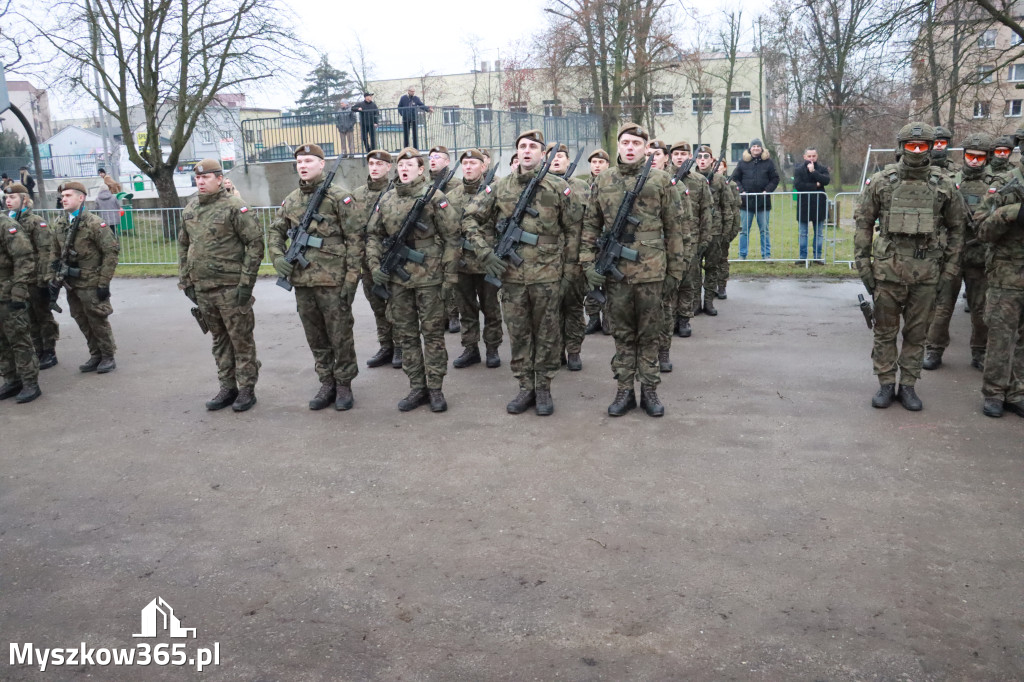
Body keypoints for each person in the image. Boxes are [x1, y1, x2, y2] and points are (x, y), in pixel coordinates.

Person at [462, 129, 577, 416]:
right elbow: (471, 219)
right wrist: (485, 252)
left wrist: (570, 271)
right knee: (519, 333)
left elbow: (574, 230)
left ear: (542, 153)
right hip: (512, 276)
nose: (527, 151)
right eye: (522, 146)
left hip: (548, 274)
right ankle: (525, 386)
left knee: (548, 334)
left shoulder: (557, 187)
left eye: (533, 146)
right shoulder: (501, 188)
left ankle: (544, 389)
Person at [854, 122, 964, 411]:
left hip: (927, 273)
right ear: (901, 148)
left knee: (917, 334)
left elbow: (957, 229)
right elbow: (864, 223)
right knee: (885, 332)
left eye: (922, 146)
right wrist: (863, 263)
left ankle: (909, 386)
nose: (916, 151)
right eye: (911, 146)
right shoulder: (881, 181)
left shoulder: (943, 184)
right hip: (887, 273)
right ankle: (886, 383)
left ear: (930, 148)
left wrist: (950, 268)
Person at [581, 123, 689, 417]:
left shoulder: (661, 181)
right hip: (617, 273)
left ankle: (650, 391)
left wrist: (676, 272)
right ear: (619, 146)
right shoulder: (603, 181)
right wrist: (588, 264)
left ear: (645, 148)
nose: (630, 148)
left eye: (636, 143)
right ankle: (624, 390)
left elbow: (676, 229)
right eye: (625, 142)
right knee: (622, 334)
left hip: (653, 272)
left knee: (651, 334)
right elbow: (590, 225)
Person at [270, 144, 363, 412]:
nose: (303, 165)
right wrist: (277, 258)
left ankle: (344, 383)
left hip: (333, 280)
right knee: (316, 336)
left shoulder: (340, 197)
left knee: (340, 334)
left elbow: (356, 240)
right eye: (299, 161)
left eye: (309, 160)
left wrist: (351, 280)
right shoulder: (291, 200)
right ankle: (326, 382)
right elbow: (275, 232)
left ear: (322, 164)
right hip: (302, 281)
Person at [367, 147, 460, 413]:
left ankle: (435, 388)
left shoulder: (435, 197)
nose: (404, 168)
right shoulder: (386, 200)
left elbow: (453, 236)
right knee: (406, 335)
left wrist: (449, 275)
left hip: (429, 277)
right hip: (398, 280)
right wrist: (375, 266)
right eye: (401, 164)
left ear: (421, 169)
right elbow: (373, 235)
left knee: (432, 335)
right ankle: (416, 387)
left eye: (410, 164)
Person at [178, 159, 263, 412]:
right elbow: (183, 245)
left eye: (206, 178)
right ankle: (227, 387)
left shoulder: (235, 207)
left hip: (231, 287)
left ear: (219, 178)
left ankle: (247, 388)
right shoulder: (191, 208)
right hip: (203, 289)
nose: (201, 182)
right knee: (219, 340)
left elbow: (255, 245)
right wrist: (186, 280)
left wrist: (246, 284)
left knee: (241, 340)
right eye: (198, 178)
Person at [923, 133, 998, 373]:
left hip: (980, 257)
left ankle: (979, 352)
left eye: (979, 157)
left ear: (986, 158)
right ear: (964, 155)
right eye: (970, 156)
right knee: (942, 307)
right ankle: (934, 350)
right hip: (952, 254)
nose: (974, 161)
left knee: (980, 309)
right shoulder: (950, 181)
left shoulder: (995, 184)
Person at [51, 181, 120, 374]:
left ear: (81, 198)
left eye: (68, 196)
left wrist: (104, 282)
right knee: (80, 318)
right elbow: (54, 253)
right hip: (71, 282)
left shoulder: (94, 223)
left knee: (97, 319)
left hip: (91, 281)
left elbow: (111, 252)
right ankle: (95, 354)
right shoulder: (60, 224)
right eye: (62, 197)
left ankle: (108, 355)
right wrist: (53, 277)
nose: (63, 199)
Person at [448, 148, 503, 370]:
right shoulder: (452, 196)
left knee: (491, 308)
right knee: (466, 309)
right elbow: (448, 231)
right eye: (465, 163)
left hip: (487, 262)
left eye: (473, 163)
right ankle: (470, 348)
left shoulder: (495, 191)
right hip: (462, 263)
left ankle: (492, 348)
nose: (469, 167)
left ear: (483, 166)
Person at [975, 174, 1024, 418]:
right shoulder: (1004, 186)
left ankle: (1018, 392)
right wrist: (1010, 212)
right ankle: (994, 393)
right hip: (1006, 277)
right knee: (1000, 336)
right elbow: (981, 231)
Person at [351, 149, 399, 370]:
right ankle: (386, 346)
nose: (375, 167)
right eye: (371, 163)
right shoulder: (357, 195)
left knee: (395, 305)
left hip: (390, 260)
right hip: (366, 261)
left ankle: (400, 347)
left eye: (380, 164)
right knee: (377, 305)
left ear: (389, 167)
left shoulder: (395, 191)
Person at [5, 183, 58, 369]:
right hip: (19, 279)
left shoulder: (36, 221)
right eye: (6, 198)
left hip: (35, 279)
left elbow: (45, 251)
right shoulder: (8, 221)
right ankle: (38, 349)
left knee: (42, 315)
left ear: (24, 200)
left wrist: (45, 279)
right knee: (28, 317)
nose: (8, 201)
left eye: (13, 198)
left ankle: (49, 351)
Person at [548, 143, 588, 371]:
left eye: (560, 156)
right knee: (550, 310)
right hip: (546, 261)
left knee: (573, 307)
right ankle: (555, 351)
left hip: (575, 258)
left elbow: (591, 223)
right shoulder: (539, 187)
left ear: (568, 160)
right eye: (552, 156)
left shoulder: (581, 187)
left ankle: (573, 351)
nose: (556, 160)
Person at [668, 140, 712, 347]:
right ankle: (669, 319)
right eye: (675, 153)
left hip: (691, 240)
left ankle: (684, 318)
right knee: (669, 282)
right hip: (669, 240)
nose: (679, 157)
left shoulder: (699, 181)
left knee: (688, 281)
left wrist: (704, 239)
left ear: (689, 157)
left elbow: (706, 211)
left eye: (683, 154)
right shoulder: (663, 179)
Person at [0, 210, 41, 403]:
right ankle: (11, 379)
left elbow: (24, 259)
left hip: (8, 294)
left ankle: (30, 382)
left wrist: (18, 291)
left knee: (19, 339)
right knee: (1, 342)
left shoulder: (7, 225)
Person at [695, 145, 735, 324]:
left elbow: (727, 207)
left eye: (706, 157)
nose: (702, 159)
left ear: (712, 160)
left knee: (712, 268)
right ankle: (695, 302)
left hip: (715, 231)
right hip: (695, 232)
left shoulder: (719, 180)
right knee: (693, 270)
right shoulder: (691, 180)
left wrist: (726, 233)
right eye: (699, 156)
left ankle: (709, 301)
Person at [428, 145, 459, 332]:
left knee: (450, 278)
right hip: (430, 239)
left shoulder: (456, 185)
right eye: (430, 157)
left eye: (437, 157)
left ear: (447, 161)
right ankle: (441, 316)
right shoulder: (423, 183)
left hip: (448, 237)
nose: (433, 160)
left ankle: (454, 314)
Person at [731, 138, 779, 259]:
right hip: (746, 203)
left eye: (758, 146)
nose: (756, 148)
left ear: (761, 148)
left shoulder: (769, 162)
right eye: (754, 146)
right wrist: (742, 191)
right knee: (744, 231)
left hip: (763, 203)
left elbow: (775, 179)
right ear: (750, 148)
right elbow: (735, 178)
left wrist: (766, 191)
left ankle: (766, 255)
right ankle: (742, 255)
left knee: (764, 231)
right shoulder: (742, 163)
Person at [584, 149, 612, 336]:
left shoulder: (612, 183)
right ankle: (593, 318)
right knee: (590, 281)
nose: (597, 165)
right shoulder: (583, 186)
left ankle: (609, 320)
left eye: (601, 162)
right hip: (591, 240)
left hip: (609, 241)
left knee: (609, 281)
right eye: (594, 162)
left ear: (607, 165)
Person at [793, 148, 831, 263]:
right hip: (804, 204)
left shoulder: (822, 169)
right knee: (803, 233)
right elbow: (799, 186)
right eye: (809, 156)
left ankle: (817, 257)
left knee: (819, 233)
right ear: (805, 157)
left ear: (817, 156)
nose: (811, 158)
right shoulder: (798, 170)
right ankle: (802, 258)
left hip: (819, 204)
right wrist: (816, 185)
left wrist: (814, 172)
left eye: (813, 156)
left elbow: (826, 180)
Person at [717, 159, 741, 299]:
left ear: (725, 168)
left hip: (723, 228)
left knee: (722, 259)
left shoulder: (730, 185)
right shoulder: (705, 182)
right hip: (709, 228)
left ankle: (721, 286)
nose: (717, 168)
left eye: (719, 165)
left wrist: (731, 231)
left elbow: (735, 209)